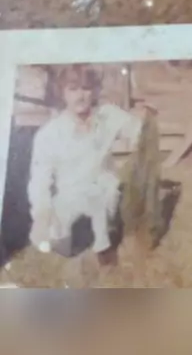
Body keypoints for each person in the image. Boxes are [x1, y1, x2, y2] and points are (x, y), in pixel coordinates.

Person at [28, 66, 143, 259]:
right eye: (73, 89)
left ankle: (105, 244)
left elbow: (139, 132)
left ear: (95, 91)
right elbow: (39, 181)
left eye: (86, 88)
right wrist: (42, 213)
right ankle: (71, 233)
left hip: (104, 192)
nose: (80, 96)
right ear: (62, 93)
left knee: (103, 198)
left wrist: (145, 117)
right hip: (70, 196)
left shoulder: (108, 116)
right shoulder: (50, 133)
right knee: (58, 244)